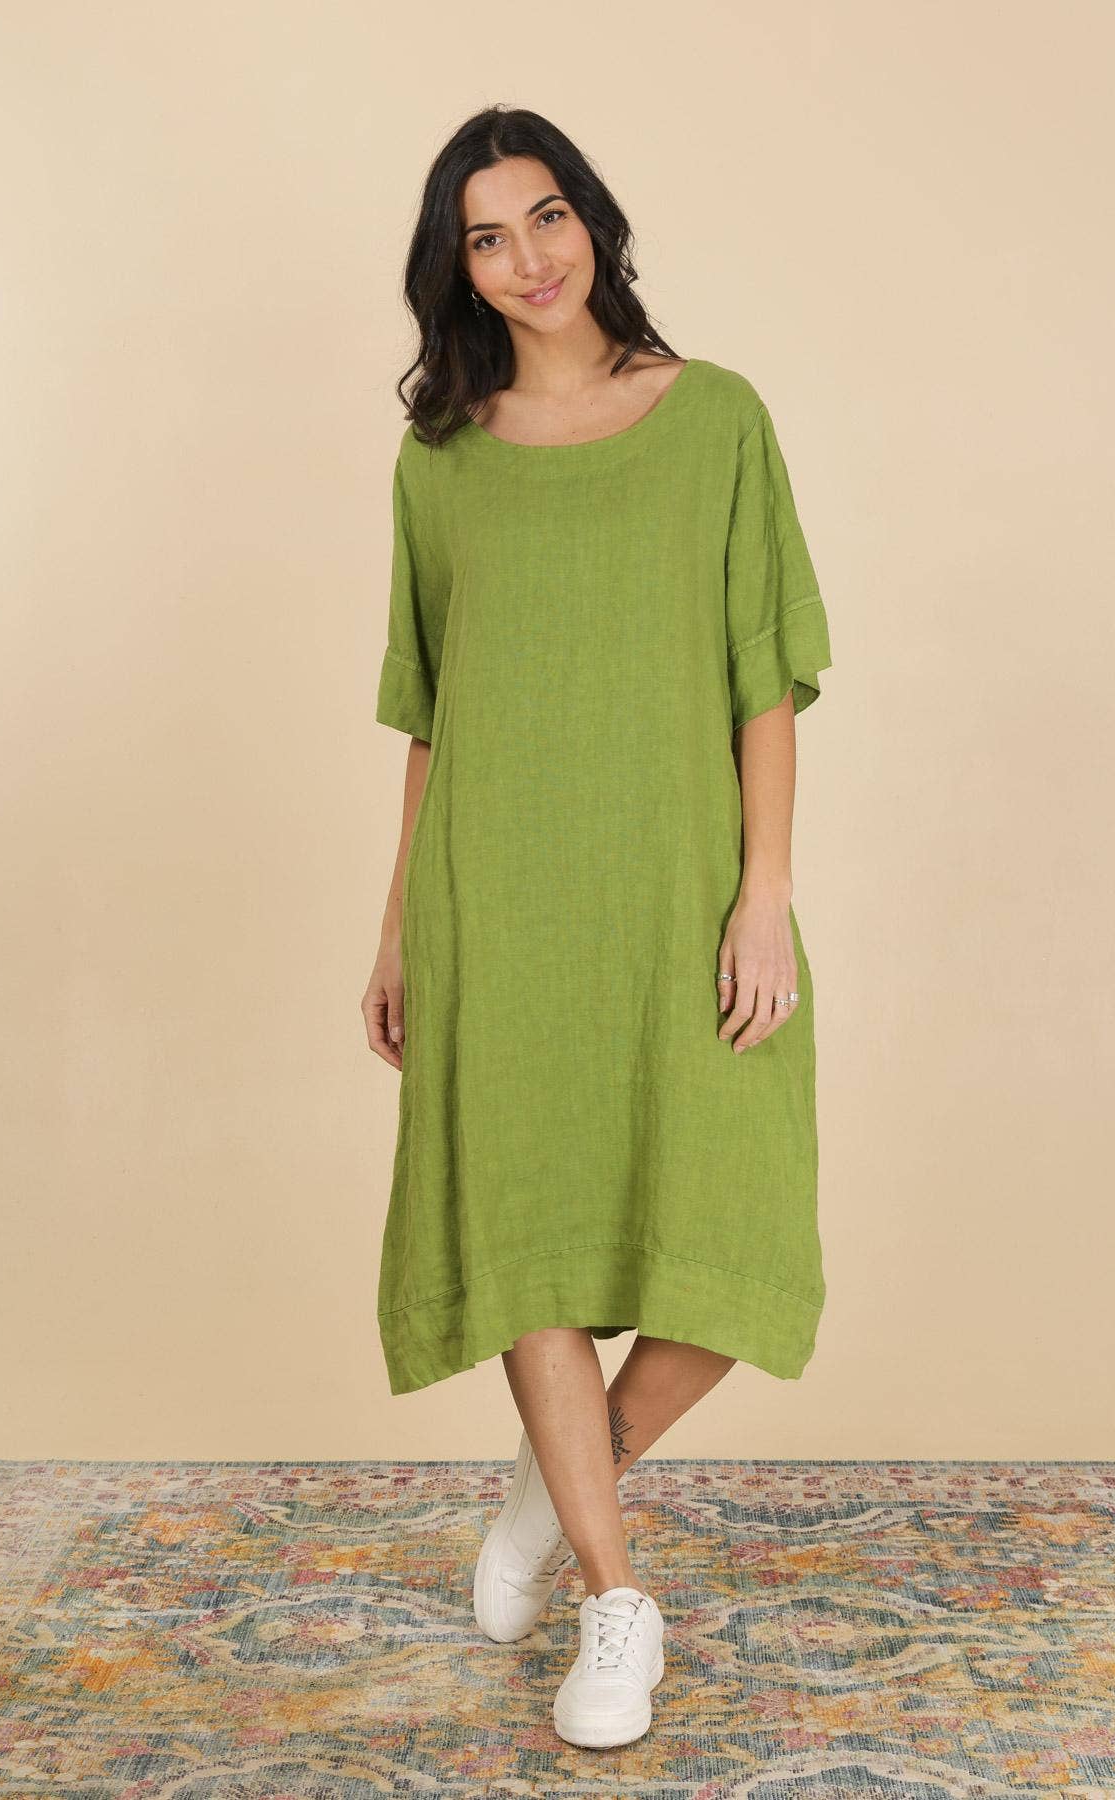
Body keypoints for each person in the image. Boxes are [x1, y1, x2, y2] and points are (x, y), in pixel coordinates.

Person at [362, 104, 834, 1749]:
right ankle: (615, 1603)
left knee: (742, 1239)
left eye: (546, 216)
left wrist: (764, 893)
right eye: (486, 238)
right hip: (497, 901)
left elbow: (765, 681)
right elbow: (435, 714)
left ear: (594, 220)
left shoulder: (717, 420)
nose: (528, 258)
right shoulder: (442, 463)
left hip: (678, 889)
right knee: (532, 1238)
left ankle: (551, 1496)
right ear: (459, 272)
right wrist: (398, 927)